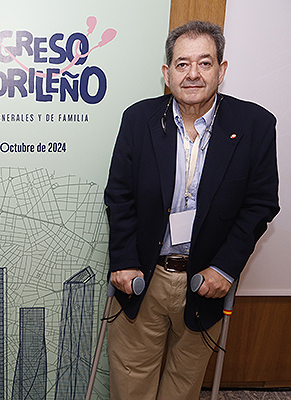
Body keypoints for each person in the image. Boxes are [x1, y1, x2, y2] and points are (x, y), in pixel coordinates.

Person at [104, 21, 279, 400]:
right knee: (131, 383)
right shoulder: (139, 120)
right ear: (167, 74)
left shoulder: (256, 125)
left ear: (222, 69)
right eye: (182, 64)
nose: (193, 74)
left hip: (205, 282)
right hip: (144, 277)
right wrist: (123, 260)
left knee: (183, 387)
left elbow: (260, 204)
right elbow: (119, 195)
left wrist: (225, 268)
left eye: (205, 62)